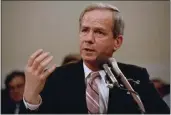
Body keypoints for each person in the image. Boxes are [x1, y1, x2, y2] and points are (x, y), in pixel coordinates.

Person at [20, 3, 169, 114]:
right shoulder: (55, 78)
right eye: (84, 30)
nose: (88, 39)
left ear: (117, 42)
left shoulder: (136, 77)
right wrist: (30, 98)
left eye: (99, 32)